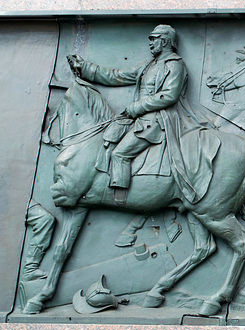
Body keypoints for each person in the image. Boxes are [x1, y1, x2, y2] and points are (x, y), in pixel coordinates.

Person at [67, 24, 214, 203]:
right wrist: (85, 68)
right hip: (138, 119)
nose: (150, 43)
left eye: (154, 39)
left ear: (166, 41)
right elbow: (116, 76)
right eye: (150, 39)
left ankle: (119, 198)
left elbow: (169, 95)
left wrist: (137, 107)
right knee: (106, 138)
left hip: (157, 121)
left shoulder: (175, 65)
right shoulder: (147, 66)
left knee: (120, 154)